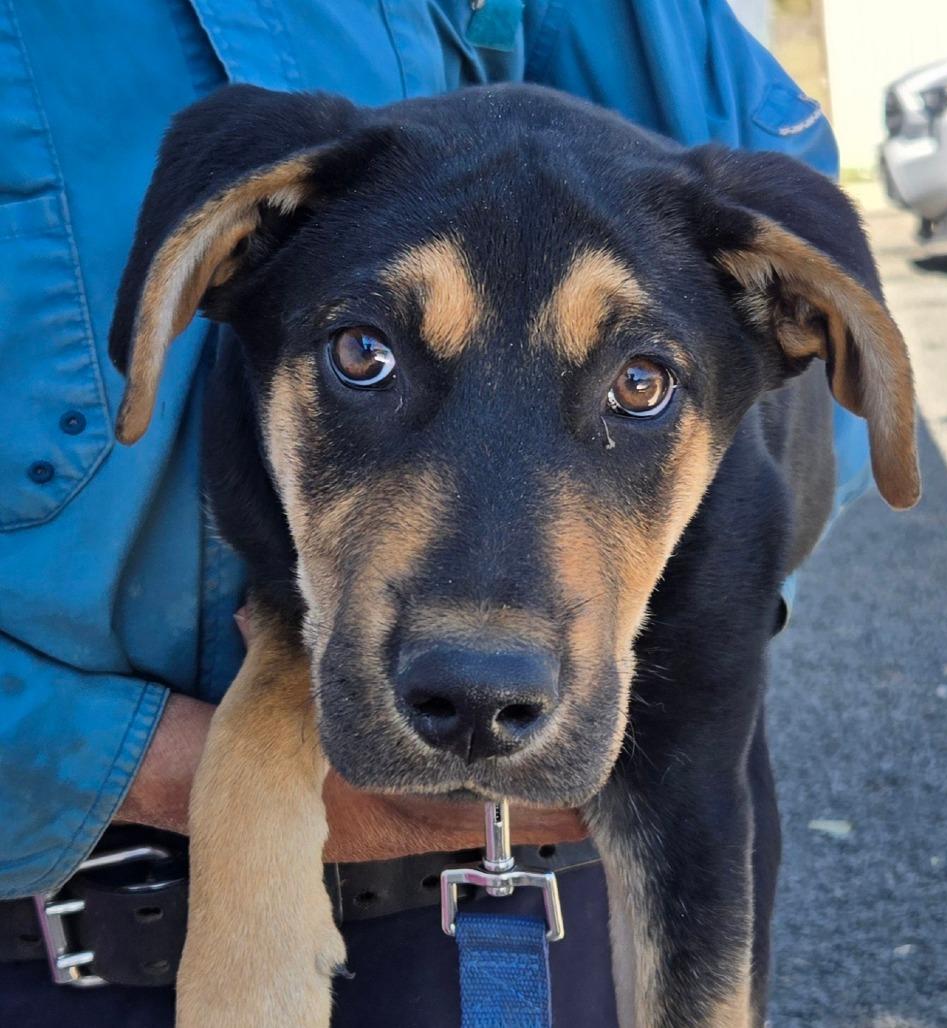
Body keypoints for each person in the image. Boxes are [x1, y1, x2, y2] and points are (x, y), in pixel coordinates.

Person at [0, 1, 866, 1023]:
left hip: (534, 899)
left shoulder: (654, 43)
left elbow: (796, 457)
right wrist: (204, 750)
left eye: (639, 384)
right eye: (365, 357)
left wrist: (696, 633)